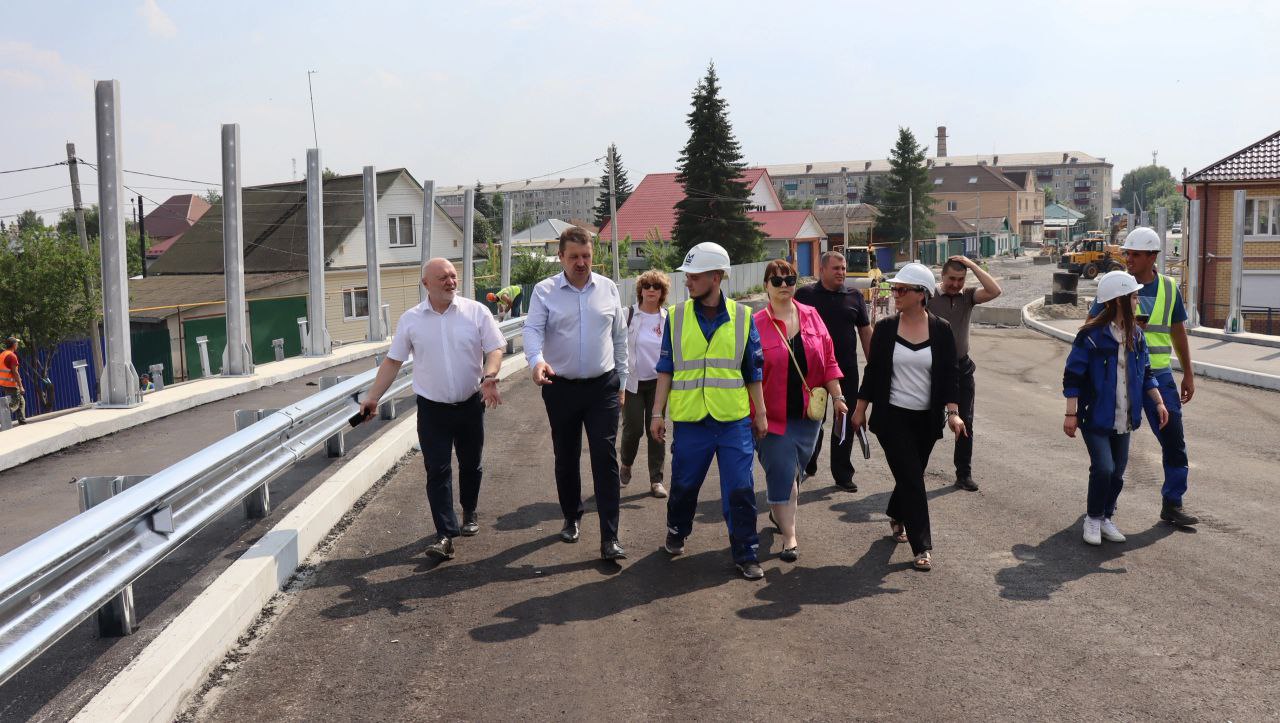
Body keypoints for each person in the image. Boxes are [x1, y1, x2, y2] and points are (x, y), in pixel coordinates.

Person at [361, 258, 506, 561]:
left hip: (470, 403)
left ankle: (469, 510)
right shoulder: (411, 320)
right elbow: (393, 362)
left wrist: (490, 376)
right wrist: (374, 396)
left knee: (470, 465)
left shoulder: (476, 312)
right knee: (437, 470)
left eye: (453, 276)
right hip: (432, 410)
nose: (450, 281)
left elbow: (495, 347)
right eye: (442, 277)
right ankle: (444, 535)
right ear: (426, 283)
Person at [650, 242, 768, 580]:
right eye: (687, 275)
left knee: (741, 489)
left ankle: (746, 553)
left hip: (732, 421)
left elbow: (753, 370)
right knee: (684, 486)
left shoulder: (744, 318)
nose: (687, 281)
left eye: (694, 276)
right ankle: (677, 529)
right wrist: (657, 413)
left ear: (716, 277)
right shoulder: (676, 316)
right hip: (690, 422)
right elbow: (665, 368)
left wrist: (759, 413)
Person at [850, 263, 966, 572]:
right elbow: (873, 372)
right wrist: (860, 409)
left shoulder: (941, 329)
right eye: (894, 289)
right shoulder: (886, 328)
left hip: (925, 420)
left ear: (921, 295)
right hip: (892, 419)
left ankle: (895, 512)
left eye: (902, 290)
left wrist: (953, 413)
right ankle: (922, 546)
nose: (895, 294)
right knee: (914, 478)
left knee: (911, 474)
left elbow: (949, 376)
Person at [524, 226, 629, 561]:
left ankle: (610, 537)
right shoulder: (544, 291)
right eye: (574, 257)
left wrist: (623, 381)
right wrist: (536, 360)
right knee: (566, 456)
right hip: (561, 388)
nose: (581, 263)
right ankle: (571, 515)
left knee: (604, 456)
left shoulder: (608, 288)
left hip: (603, 387)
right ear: (561, 257)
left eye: (586, 256)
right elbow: (533, 330)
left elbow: (620, 339)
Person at [1087, 227, 1198, 527]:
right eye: (1127, 253)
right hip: (1119, 377)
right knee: (1115, 449)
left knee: (1174, 440)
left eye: (1135, 254)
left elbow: (1178, 332)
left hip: (1157, 375)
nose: (1128, 259)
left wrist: (1188, 372)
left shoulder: (1169, 288)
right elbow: (1090, 327)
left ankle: (1173, 503)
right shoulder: (1115, 284)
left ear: (1153, 257)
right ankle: (1102, 510)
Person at [1064, 271, 1169, 545]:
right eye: (1134, 296)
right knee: (1104, 468)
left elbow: (1146, 372)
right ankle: (1092, 518)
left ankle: (1106, 517)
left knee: (1118, 473)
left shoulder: (1136, 335)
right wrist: (1070, 413)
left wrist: (1158, 402)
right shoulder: (1091, 337)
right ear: (1119, 300)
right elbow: (1073, 376)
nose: (1138, 301)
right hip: (1094, 416)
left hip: (1125, 418)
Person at [754, 259, 846, 562]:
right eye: (777, 281)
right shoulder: (756, 324)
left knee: (796, 473)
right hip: (772, 417)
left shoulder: (811, 316)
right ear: (766, 285)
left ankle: (778, 508)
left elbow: (829, 360)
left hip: (809, 417)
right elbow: (747, 373)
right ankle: (790, 537)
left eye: (789, 280)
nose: (784, 286)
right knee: (782, 471)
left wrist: (838, 397)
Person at [795, 251, 871, 492]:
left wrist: (875, 363)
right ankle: (808, 462)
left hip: (846, 370)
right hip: (812, 371)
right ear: (823, 270)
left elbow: (865, 331)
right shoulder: (805, 295)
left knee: (844, 421)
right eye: (836, 268)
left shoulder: (854, 296)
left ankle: (842, 473)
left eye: (843, 268)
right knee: (812, 416)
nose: (841, 272)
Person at [926, 255, 1002, 492]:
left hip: (961, 368)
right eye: (952, 279)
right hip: (931, 369)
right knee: (928, 423)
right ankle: (914, 472)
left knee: (965, 421)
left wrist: (971, 265)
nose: (956, 284)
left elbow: (995, 290)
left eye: (961, 279)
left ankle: (963, 473)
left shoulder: (968, 296)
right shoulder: (928, 296)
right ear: (942, 276)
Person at [619, 269, 670, 499]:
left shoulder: (668, 318)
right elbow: (615, 345)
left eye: (656, 287)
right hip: (633, 383)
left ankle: (656, 479)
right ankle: (627, 463)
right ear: (640, 290)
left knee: (656, 431)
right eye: (647, 286)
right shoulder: (628, 315)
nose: (651, 290)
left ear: (662, 292)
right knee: (633, 429)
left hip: (658, 384)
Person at [0, 336, 26, 425]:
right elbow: (15, 372)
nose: (18, 345)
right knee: (13, 405)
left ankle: (22, 420)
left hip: (4, 383)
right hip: (11, 384)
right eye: (17, 343)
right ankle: (2, 416)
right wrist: (21, 386)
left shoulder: (3, 354)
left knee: (21, 401)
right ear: (14, 345)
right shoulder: (12, 356)